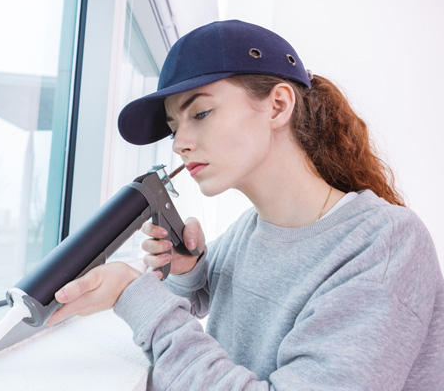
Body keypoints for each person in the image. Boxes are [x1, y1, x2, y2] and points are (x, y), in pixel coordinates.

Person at [46, 20, 444, 390]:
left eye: (200, 112)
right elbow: (206, 299)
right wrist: (190, 272)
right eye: (173, 127)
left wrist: (137, 297)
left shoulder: (386, 244)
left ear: (278, 105)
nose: (178, 143)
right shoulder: (250, 229)